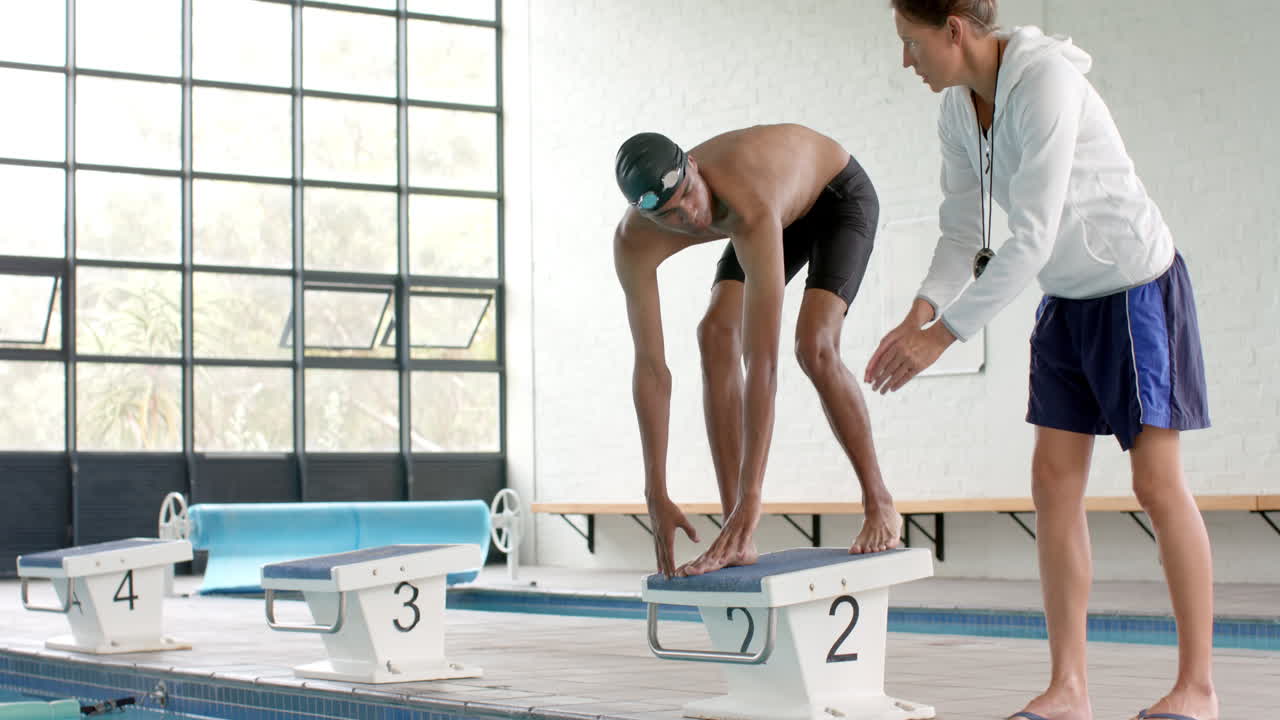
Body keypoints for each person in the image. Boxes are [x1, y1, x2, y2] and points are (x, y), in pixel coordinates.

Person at [869, 2, 1217, 719]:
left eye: (912, 42)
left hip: (1132, 287)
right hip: (1066, 298)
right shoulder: (959, 112)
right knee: (1053, 483)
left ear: (955, 31)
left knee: (1156, 482)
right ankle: (1069, 690)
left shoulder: (1047, 82)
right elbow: (963, 228)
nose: (907, 60)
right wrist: (921, 312)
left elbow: (1031, 234)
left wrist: (946, 335)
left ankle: (1198, 689)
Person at [612, 123, 901, 579]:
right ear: (646, 217)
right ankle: (736, 536)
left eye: (689, 194)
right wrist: (656, 490)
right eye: (668, 214)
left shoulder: (747, 201)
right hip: (773, 208)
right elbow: (651, 370)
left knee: (814, 346)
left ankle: (879, 503)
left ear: (693, 165)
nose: (688, 216)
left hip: (835, 197)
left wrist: (755, 498)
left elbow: (762, 365)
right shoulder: (633, 242)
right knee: (713, 333)